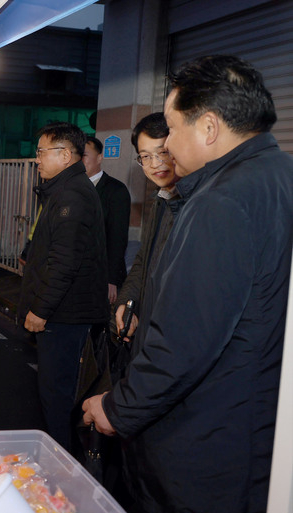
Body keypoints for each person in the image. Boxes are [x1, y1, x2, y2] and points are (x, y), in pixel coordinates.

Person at [83, 55, 293, 513]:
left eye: (174, 129)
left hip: (204, 441)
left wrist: (118, 409)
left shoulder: (220, 201)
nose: (168, 145)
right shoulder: (279, 175)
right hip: (250, 427)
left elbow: (183, 342)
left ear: (210, 127)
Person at [18, 121, 108, 452]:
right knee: (52, 394)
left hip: (64, 315)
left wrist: (40, 309)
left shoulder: (73, 195)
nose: (37, 159)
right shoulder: (64, 190)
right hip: (62, 312)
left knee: (56, 396)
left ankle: (60, 470)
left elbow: (65, 262)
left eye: (42, 152)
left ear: (66, 155)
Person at [114, 113, 183, 348]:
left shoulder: (196, 205)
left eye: (162, 152)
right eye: (145, 156)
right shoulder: (160, 200)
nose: (155, 164)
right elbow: (145, 260)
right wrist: (127, 301)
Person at [82, 137, 130, 304]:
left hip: (101, 274)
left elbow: (118, 237)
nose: (80, 160)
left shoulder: (116, 190)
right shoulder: (73, 188)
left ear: (100, 158)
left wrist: (112, 279)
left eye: (85, 155)